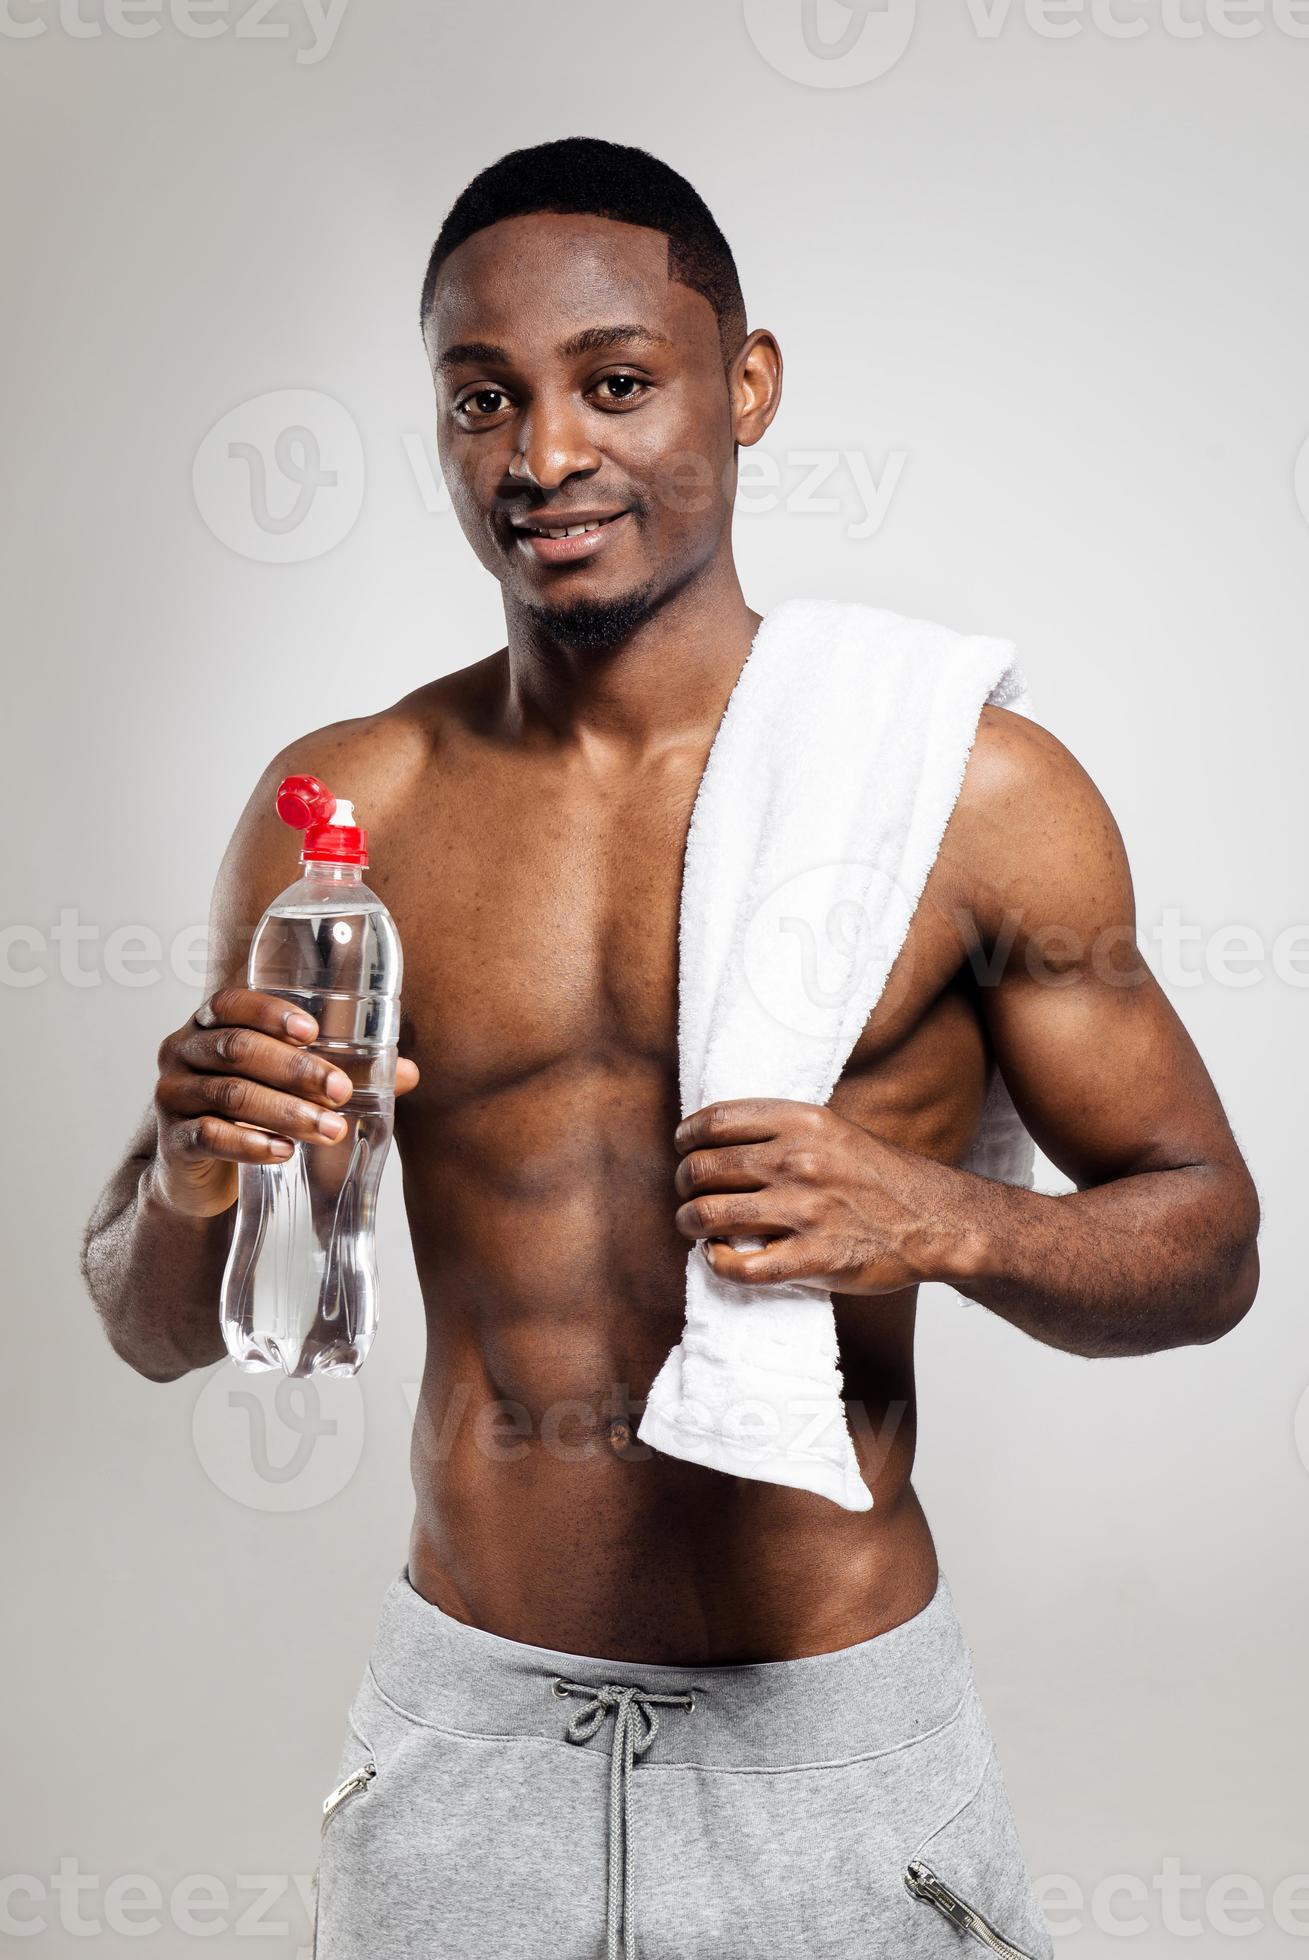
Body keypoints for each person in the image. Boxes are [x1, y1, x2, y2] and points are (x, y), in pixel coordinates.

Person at [82, 137, 1260, 1958]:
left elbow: (1208, 1245)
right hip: (467, 1743)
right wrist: (184, 1171)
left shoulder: (967, 794)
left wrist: (943, 1218)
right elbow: (157, 1323)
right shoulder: (349, 810)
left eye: (614, 384)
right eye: (484, 400)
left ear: (749, 384)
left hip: (833, 1759)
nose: (544, 456)